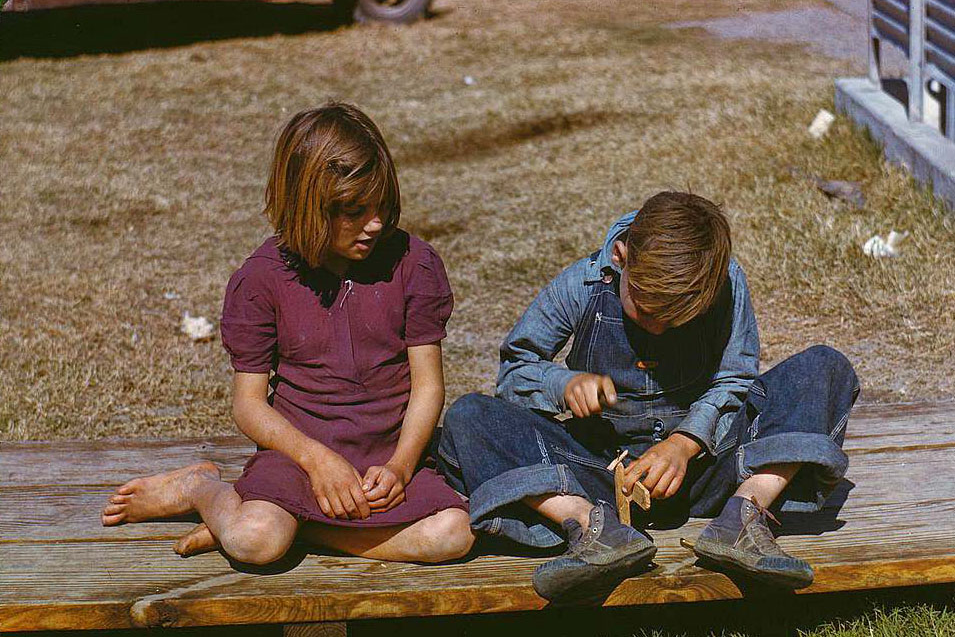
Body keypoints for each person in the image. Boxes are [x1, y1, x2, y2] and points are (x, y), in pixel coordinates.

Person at [436, 192, 859, 601]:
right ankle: (592, 530)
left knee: (822, 367)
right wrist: (561, 385)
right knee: (469, 415)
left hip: (708, 468)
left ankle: (743, 517)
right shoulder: (581, 285)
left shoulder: (727, 282)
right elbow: (513, 371)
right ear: (621, 257)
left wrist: (683, 443)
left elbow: (735, 380)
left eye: (678, 320)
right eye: (647, 310)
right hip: (597, 475)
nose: (657, 329)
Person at [101, 103, 474, 565]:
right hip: (297, 457)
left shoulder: (413, 264)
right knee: (255, 541)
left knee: (452, 535)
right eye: (355, 210)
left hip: (386, 456)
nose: (375, 223)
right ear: (308, 205)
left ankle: (303, 531)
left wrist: (400, 465)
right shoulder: (262, 279)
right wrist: (317, 461)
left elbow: (428, 385)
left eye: (381, 206)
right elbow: (249, 404)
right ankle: (201, 488)